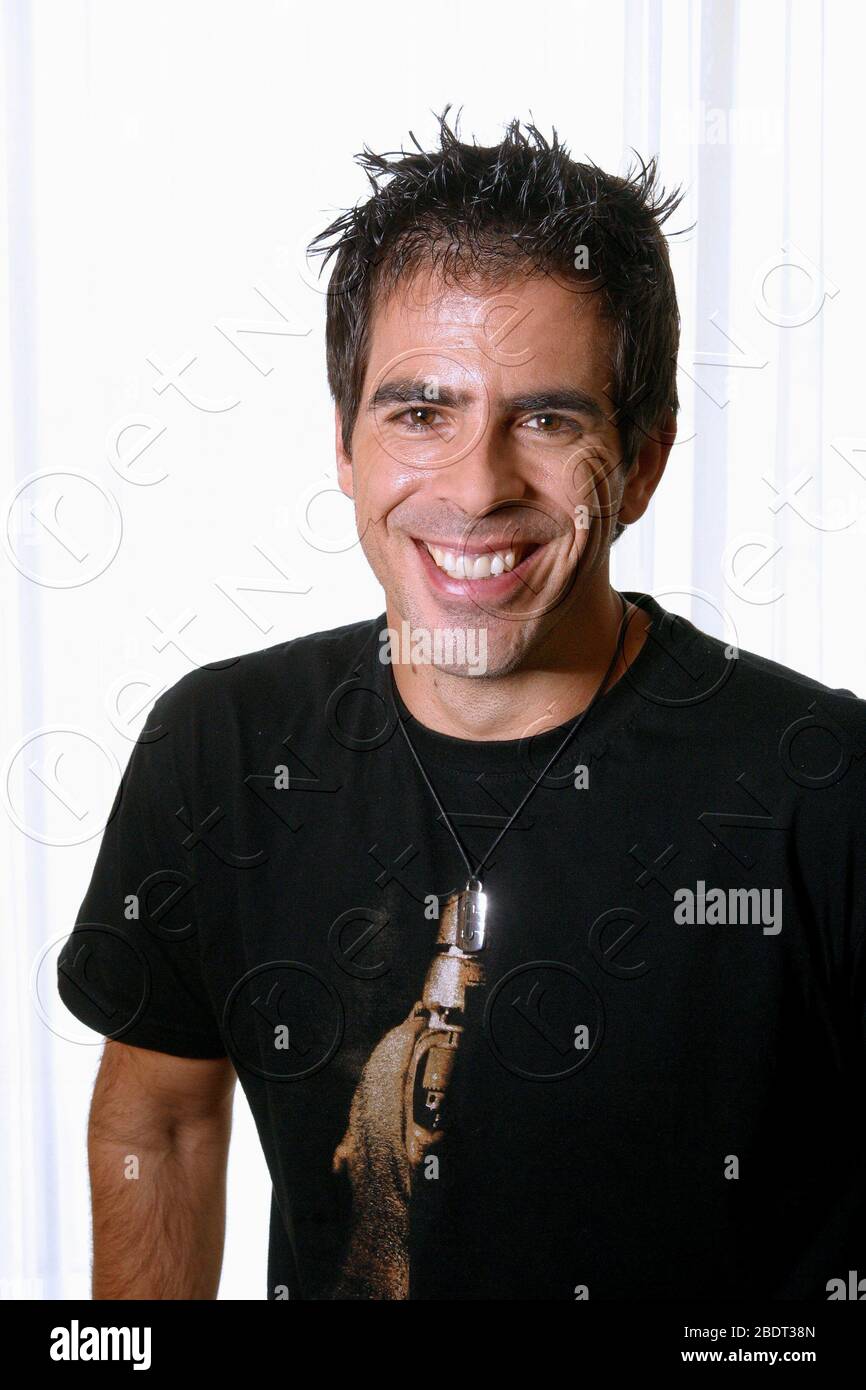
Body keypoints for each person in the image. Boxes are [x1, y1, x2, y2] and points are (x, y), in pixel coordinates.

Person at [58, 111, 866, 1301]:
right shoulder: (219, 747)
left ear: (641, 460)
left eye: (546, 418)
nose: (477, 487)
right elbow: (161, 1124)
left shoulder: (823, 784)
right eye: (419, 411)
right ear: (344, 444)